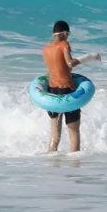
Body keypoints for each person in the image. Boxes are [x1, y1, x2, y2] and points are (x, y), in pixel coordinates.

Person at [43, 20, 86, 152]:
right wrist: (88, 57)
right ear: (66, 33)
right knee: (74, 132)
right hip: (67, 90)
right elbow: (69, 64)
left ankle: (52, 162)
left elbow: (56, 67)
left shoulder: (45, 49)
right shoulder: (64, 44)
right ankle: (74, 165)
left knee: (55, 134)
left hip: (52, 91)